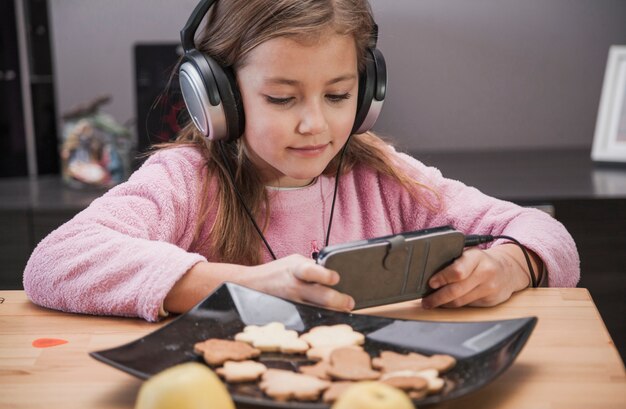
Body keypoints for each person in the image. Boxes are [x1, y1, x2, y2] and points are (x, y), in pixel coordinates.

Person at [23, 0, 579, 322]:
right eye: (283, 99)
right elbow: (54, 263)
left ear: (366, 94)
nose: (315, 124)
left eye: (338, 96)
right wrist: (240, 284)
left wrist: (514, 264)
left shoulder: (382, 176)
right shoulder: (185, 181)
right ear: (220, 97)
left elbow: (543, 231)